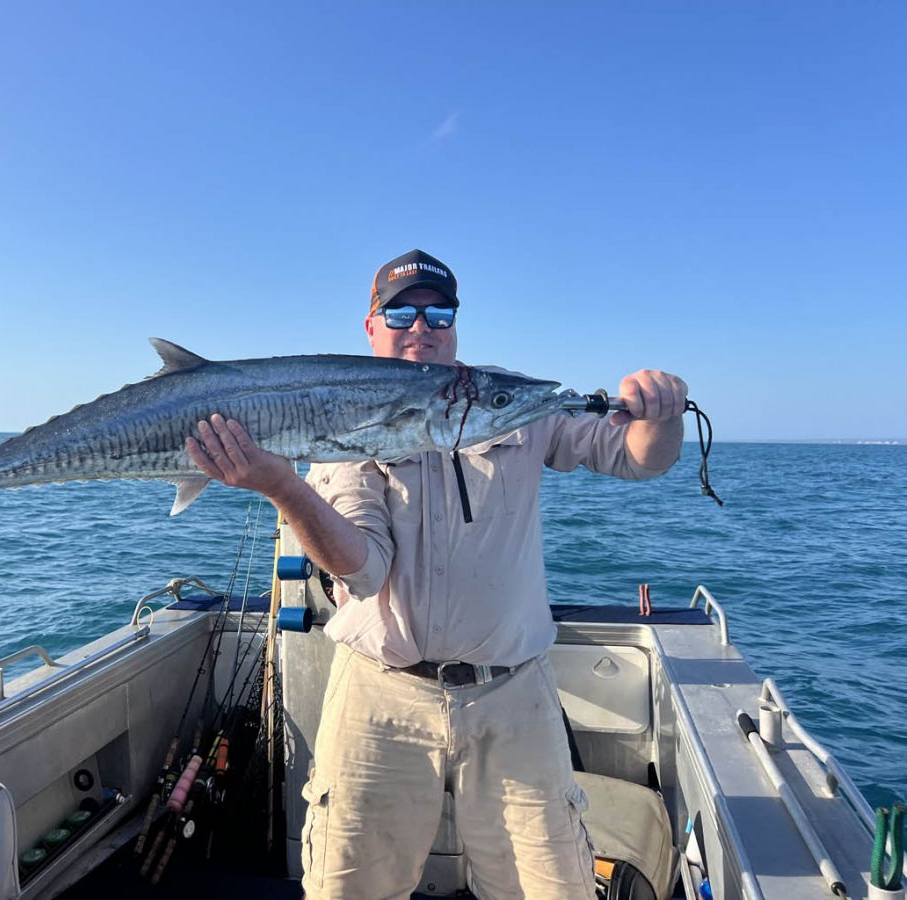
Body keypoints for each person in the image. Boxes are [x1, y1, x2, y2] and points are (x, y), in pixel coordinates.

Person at [185, 249, 686, 900]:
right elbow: (362, 569)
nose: (421, 324)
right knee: (349, 890)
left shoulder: (508, 399)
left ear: (455, 324)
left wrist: (661, 414)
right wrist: (282, 486)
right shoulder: (338, 412)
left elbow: (634, 458)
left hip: (514, 699)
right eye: (400, 311)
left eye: (438, 310)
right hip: (382, 698)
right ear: (371, 327)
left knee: (551, 888)